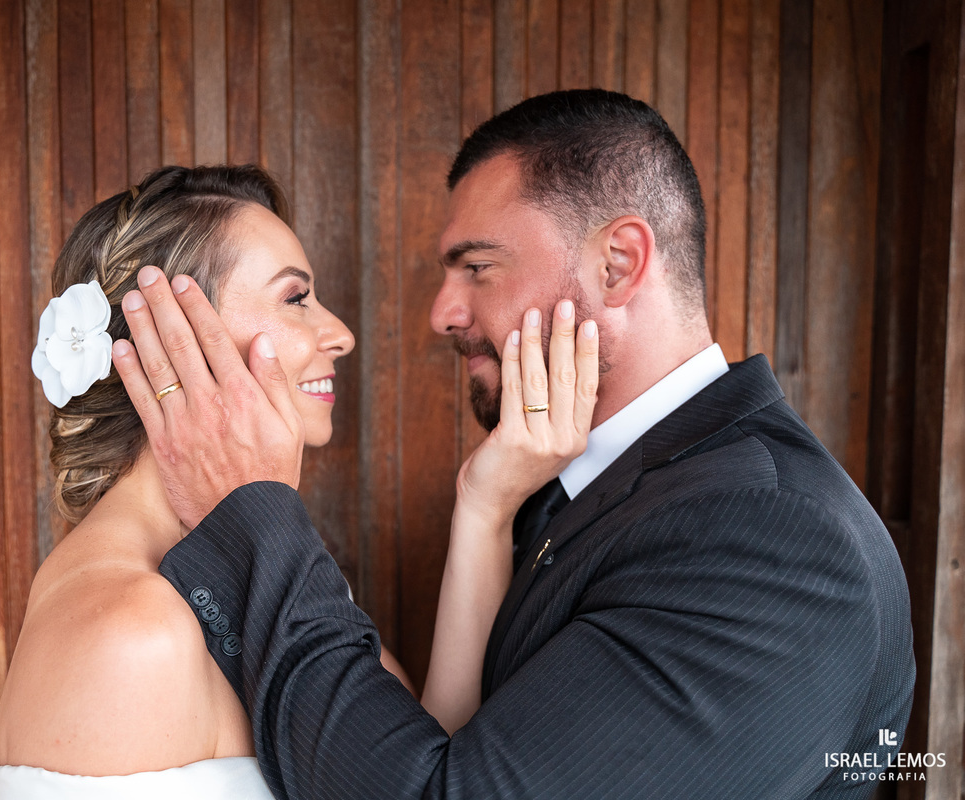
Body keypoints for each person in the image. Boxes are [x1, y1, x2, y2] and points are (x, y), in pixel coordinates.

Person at [113, 90, 917, 798]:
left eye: (479, 268)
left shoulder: (774, 540)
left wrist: (251, 510)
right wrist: (484, 506)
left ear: (619, 263)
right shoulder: (579, 486)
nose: (442, 313)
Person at [0, 164, 600, 797]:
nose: (340, 334)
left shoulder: (272, 573)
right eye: (295, 298)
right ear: (173, 338)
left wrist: (486, 508)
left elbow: (424, 772)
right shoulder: (130, 637)